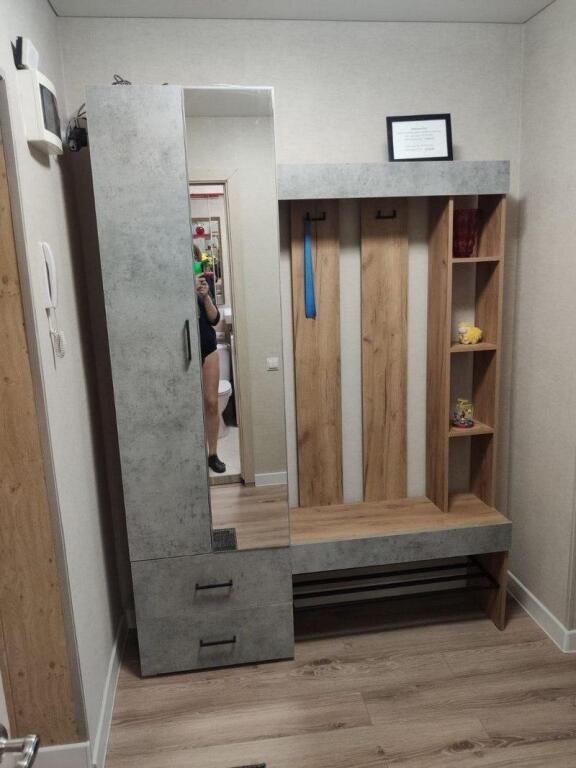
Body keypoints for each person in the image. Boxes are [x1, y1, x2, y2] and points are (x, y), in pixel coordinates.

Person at [194, 245, 226, 473]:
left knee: (212, 403)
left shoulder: (205, 282)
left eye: (194, 259)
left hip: (208, 347)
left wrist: (204, 296)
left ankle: (212, 454)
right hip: (184, 350)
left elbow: (214, 319)